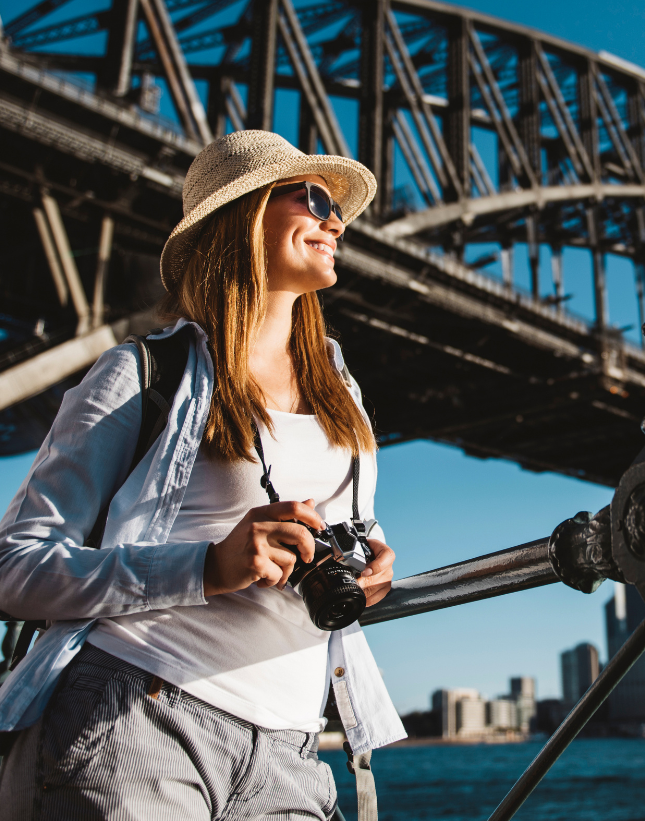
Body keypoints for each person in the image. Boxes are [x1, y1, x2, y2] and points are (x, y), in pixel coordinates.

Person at [0, 130, 406, 819]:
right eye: (311, 197)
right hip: (138, 716)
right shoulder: (140, 376)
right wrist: (206, 568)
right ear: (243, 213)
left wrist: (372, 560)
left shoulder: (342, 392)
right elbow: (15, 567)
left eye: (336, 205)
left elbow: (340, 526)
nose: (334, 219)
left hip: (292, 747)